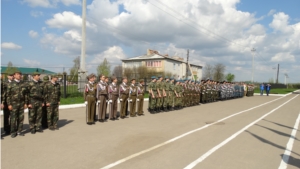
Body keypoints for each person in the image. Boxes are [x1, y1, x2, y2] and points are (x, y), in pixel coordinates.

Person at [7, 70, 28, 138]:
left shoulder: (23, 84)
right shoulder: (10, 84)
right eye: (17, 74)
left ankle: (19, 131)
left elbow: (26, 94)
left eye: (20, 74)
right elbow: (8, 95)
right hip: (14, 104)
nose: (19, 75)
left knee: (21, 118)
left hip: (21, 103)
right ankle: (13, 132)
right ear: (14, 75)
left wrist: (25, 103)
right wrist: (9, 104)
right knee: (13, 118)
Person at [1, 71, 14, 135]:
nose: (12, 77)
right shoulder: (4, 83)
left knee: (13, 116)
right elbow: (2, 93)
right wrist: (2, 103)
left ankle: (12, 128)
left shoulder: (15, 83)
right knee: (6, 116)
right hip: (5, 102)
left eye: (12, 75)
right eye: (10, 75)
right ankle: (6, 129)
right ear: (8, 76)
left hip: (14, 102)